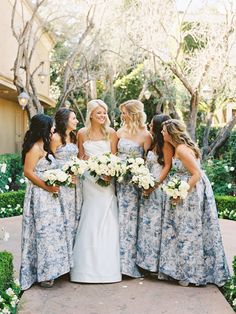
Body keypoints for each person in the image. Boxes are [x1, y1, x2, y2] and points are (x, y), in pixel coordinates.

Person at [159, 119, 230, 287]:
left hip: (189, 194)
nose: (162, 133)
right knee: (182, 232)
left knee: (189, 232)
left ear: (171, 132)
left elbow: (196, 174)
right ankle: (182, 271)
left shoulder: (182, 149)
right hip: (184, 191)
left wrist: (180, 193)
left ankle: (191, 274)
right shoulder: (175, 147)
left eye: (164, 131)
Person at [70, 99, 121, 283]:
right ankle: (84, 269)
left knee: (107, 217)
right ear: (91, 114)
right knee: (90, 216)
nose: (102, 116)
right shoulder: (82, 133)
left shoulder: (112, 133)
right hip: (89, 181)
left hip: (107, 182)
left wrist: (109, 173)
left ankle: (108, 268)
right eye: (99, 112)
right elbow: (81, 157)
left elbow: (115, 158)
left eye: (104, 112)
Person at [20, 114, 70, 290]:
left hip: (51, 197)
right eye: (50, 126)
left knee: (52, 232)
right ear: (43, 127)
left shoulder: (46, 145)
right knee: (42, 234)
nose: (53, 129)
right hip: (40, 197)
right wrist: (47, 188)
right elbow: (28, 172)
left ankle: (53, 269)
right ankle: (42, 274)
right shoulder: (34, 148)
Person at [116, 99, 152, 278]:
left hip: (135, 186)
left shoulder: (146, 135)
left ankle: (131, 264)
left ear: (133, 114)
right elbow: (113, 155)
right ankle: (117, 264)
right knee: (118, 221)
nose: (122, 116)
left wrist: (140, 176)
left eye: (124, 112)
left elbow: (148, 161)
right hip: (118, 182)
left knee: (132, 222)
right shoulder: (119, 132)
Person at [136, 114, 174, 273]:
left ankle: (156, 265)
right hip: (147, 186)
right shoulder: (152, 143)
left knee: (156, 225)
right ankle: (146, 263)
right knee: (147, 225)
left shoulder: (165, 145)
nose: (149, 125)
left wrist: (155, 184)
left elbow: (167, 166)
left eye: (151, 124)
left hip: (158, 188)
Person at [50, 108, 82, 268]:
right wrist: (65, 175)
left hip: (76, 185)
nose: (76, 121)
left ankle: (73, 261)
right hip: (62, 185)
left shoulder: (73, 136)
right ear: (65, 121)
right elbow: (50, 162)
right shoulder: (55, 138)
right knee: (64, 220)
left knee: (75, 219)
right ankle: (63, 261)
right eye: (74, 118)